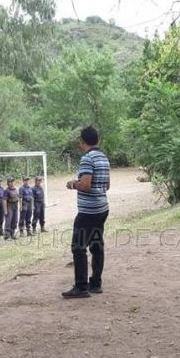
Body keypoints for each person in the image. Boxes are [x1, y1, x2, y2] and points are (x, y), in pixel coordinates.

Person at [62, 126, 111, 298]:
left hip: (88, 211)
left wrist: (72, 184)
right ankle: (95, 283)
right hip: (102, 208)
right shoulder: (104, 158)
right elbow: (107, 185)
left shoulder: (87, 159)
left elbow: (85, 185)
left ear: (82, 142)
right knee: (97, 245)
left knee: (78, 247)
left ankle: (81, 287)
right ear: (97, 140)